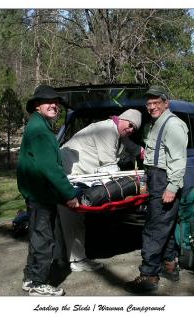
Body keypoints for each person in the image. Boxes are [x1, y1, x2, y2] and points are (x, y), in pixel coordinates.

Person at [58, 109, 143, 272]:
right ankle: (77, 260)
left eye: (134, 129)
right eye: (130, 125)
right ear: (122, 119)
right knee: (74, 217)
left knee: (62, 218)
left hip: (72, 173)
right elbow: (110, 167)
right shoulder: (107, 131)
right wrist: (128, 185)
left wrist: (141, 152)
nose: (131, 129)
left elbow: (129, 145)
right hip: (70, 174)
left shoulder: (116, 130)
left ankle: (60, 257)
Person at [17, 84, 79, 296]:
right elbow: (50, 168)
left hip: (36, 194)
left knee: (37, 237)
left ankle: (30, 278)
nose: (54, 105)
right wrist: (70, 194)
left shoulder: (38, 125)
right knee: (44, 239)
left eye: (56, 102)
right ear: (36, 106)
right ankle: (37, 283)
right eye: (48, 101)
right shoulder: (41, 131)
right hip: (41, 195)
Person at [125, 86, 188, 293]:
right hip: (156, 179)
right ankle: (170, 266)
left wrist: (171, 187)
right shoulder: (155, 125)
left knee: (153, 229)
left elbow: (178, 160)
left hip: (165, 181)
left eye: (156, 103)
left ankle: (149, 276)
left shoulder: (173, 125)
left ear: (166, 103)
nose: (151, 107)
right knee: (165, 227)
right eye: (149, 104)